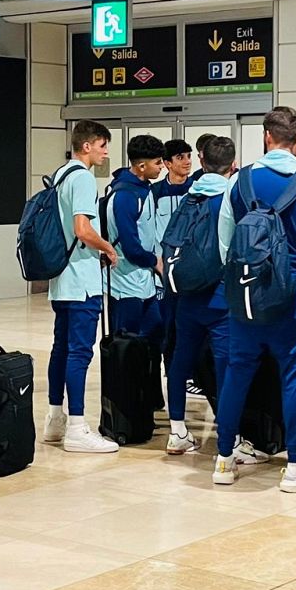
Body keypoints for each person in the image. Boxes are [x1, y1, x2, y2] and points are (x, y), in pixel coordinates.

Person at [214, 107, 296, 490]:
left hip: (245, 298)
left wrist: (241, 282)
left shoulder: (239, 181)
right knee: (295, 375)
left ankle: (222, 459)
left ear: (266, 137)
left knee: (237, 372)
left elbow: (224, 243)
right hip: (294, 298)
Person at [44, 120, 121, 454]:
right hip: (81, 280)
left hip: (61, 279)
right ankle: (77, 426)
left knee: (60, 349)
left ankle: (54, 419)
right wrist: (107, 247)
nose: (106, 152)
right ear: (86, 146)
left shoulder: (59, 175)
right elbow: (82, 229)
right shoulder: (83, 179)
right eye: (102, 145)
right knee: (79, 351)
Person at [164, 136, 235, 455]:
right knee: (225, 364)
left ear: (203, 162)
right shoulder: (230, 197)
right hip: (219, 296)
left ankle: (177, 430)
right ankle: (228, 438)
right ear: (232, 166)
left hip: (185, 294)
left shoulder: (189, 196)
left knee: (180, 359)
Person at [104, 135, 164, 339]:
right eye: (157, 163)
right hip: (125, 284)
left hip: (144, 281)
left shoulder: (144, 189)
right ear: (140, 166)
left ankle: (149, 372)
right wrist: (155, 261)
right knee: (126, 345)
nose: (161, 167)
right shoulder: (125, 196)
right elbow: (130, 247)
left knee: (154, 334)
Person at [152, 139, 197, 399]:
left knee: (190, 327)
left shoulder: (197, 190)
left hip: (191, 272)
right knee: (168, 328)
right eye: (180, 157)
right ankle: (171, 374)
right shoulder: (155, 193)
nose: (187, 161)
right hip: (163, 274)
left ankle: (193, 375)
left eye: (189, 156)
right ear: (167, 163)